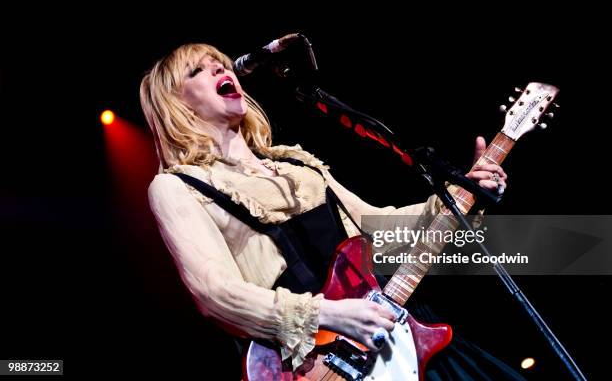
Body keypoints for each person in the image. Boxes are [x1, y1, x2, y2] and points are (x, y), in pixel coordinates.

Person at [140, 43, 519, 379]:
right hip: (312, 364)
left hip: (391, 337)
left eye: (220, 63)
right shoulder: (178, 186)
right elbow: (215, 293)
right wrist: (328, 316)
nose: (221, 70)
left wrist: (460, 195)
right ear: (176, 104)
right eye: (198, 70)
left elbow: (378, 231)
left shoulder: (296, 166)